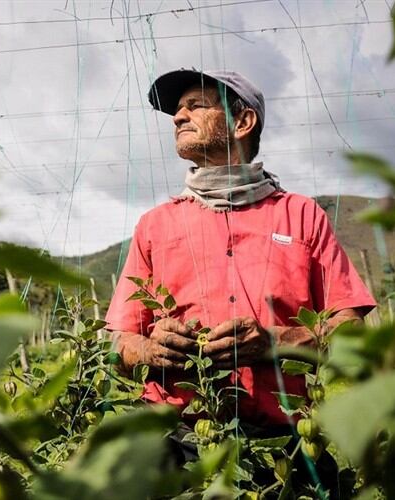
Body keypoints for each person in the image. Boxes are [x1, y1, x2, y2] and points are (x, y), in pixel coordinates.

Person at [104, 69, 376, 471]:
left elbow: (351, 332)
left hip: (279, 448)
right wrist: (147, 349)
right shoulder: (155, 225)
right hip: (174, 444)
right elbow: (117, 343)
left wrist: (274, 341)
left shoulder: (301, 216)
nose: (179, 117)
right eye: (177, 110)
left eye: (195, 106)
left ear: (243, 122)